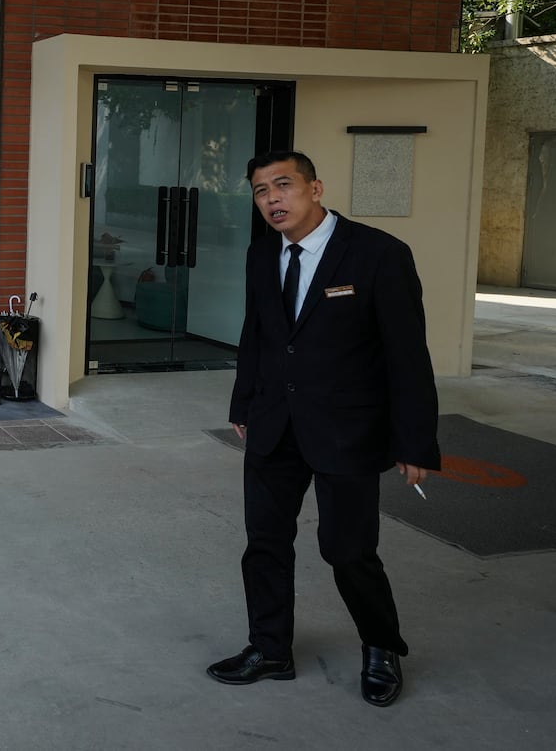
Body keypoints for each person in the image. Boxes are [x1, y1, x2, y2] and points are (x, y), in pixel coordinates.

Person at [207, 150, 440, 707]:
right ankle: (270, 649)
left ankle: (382, 647)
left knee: (347, 550)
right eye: (261, 191)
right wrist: (244, 404)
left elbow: (408, 357)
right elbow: (257, 336)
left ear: (316, 187)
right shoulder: (262, 254)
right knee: (264, 544)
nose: (272, 200)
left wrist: (414, 441)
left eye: (283, 186)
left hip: (347, 432)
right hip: (272, 427)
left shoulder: (379, 255)